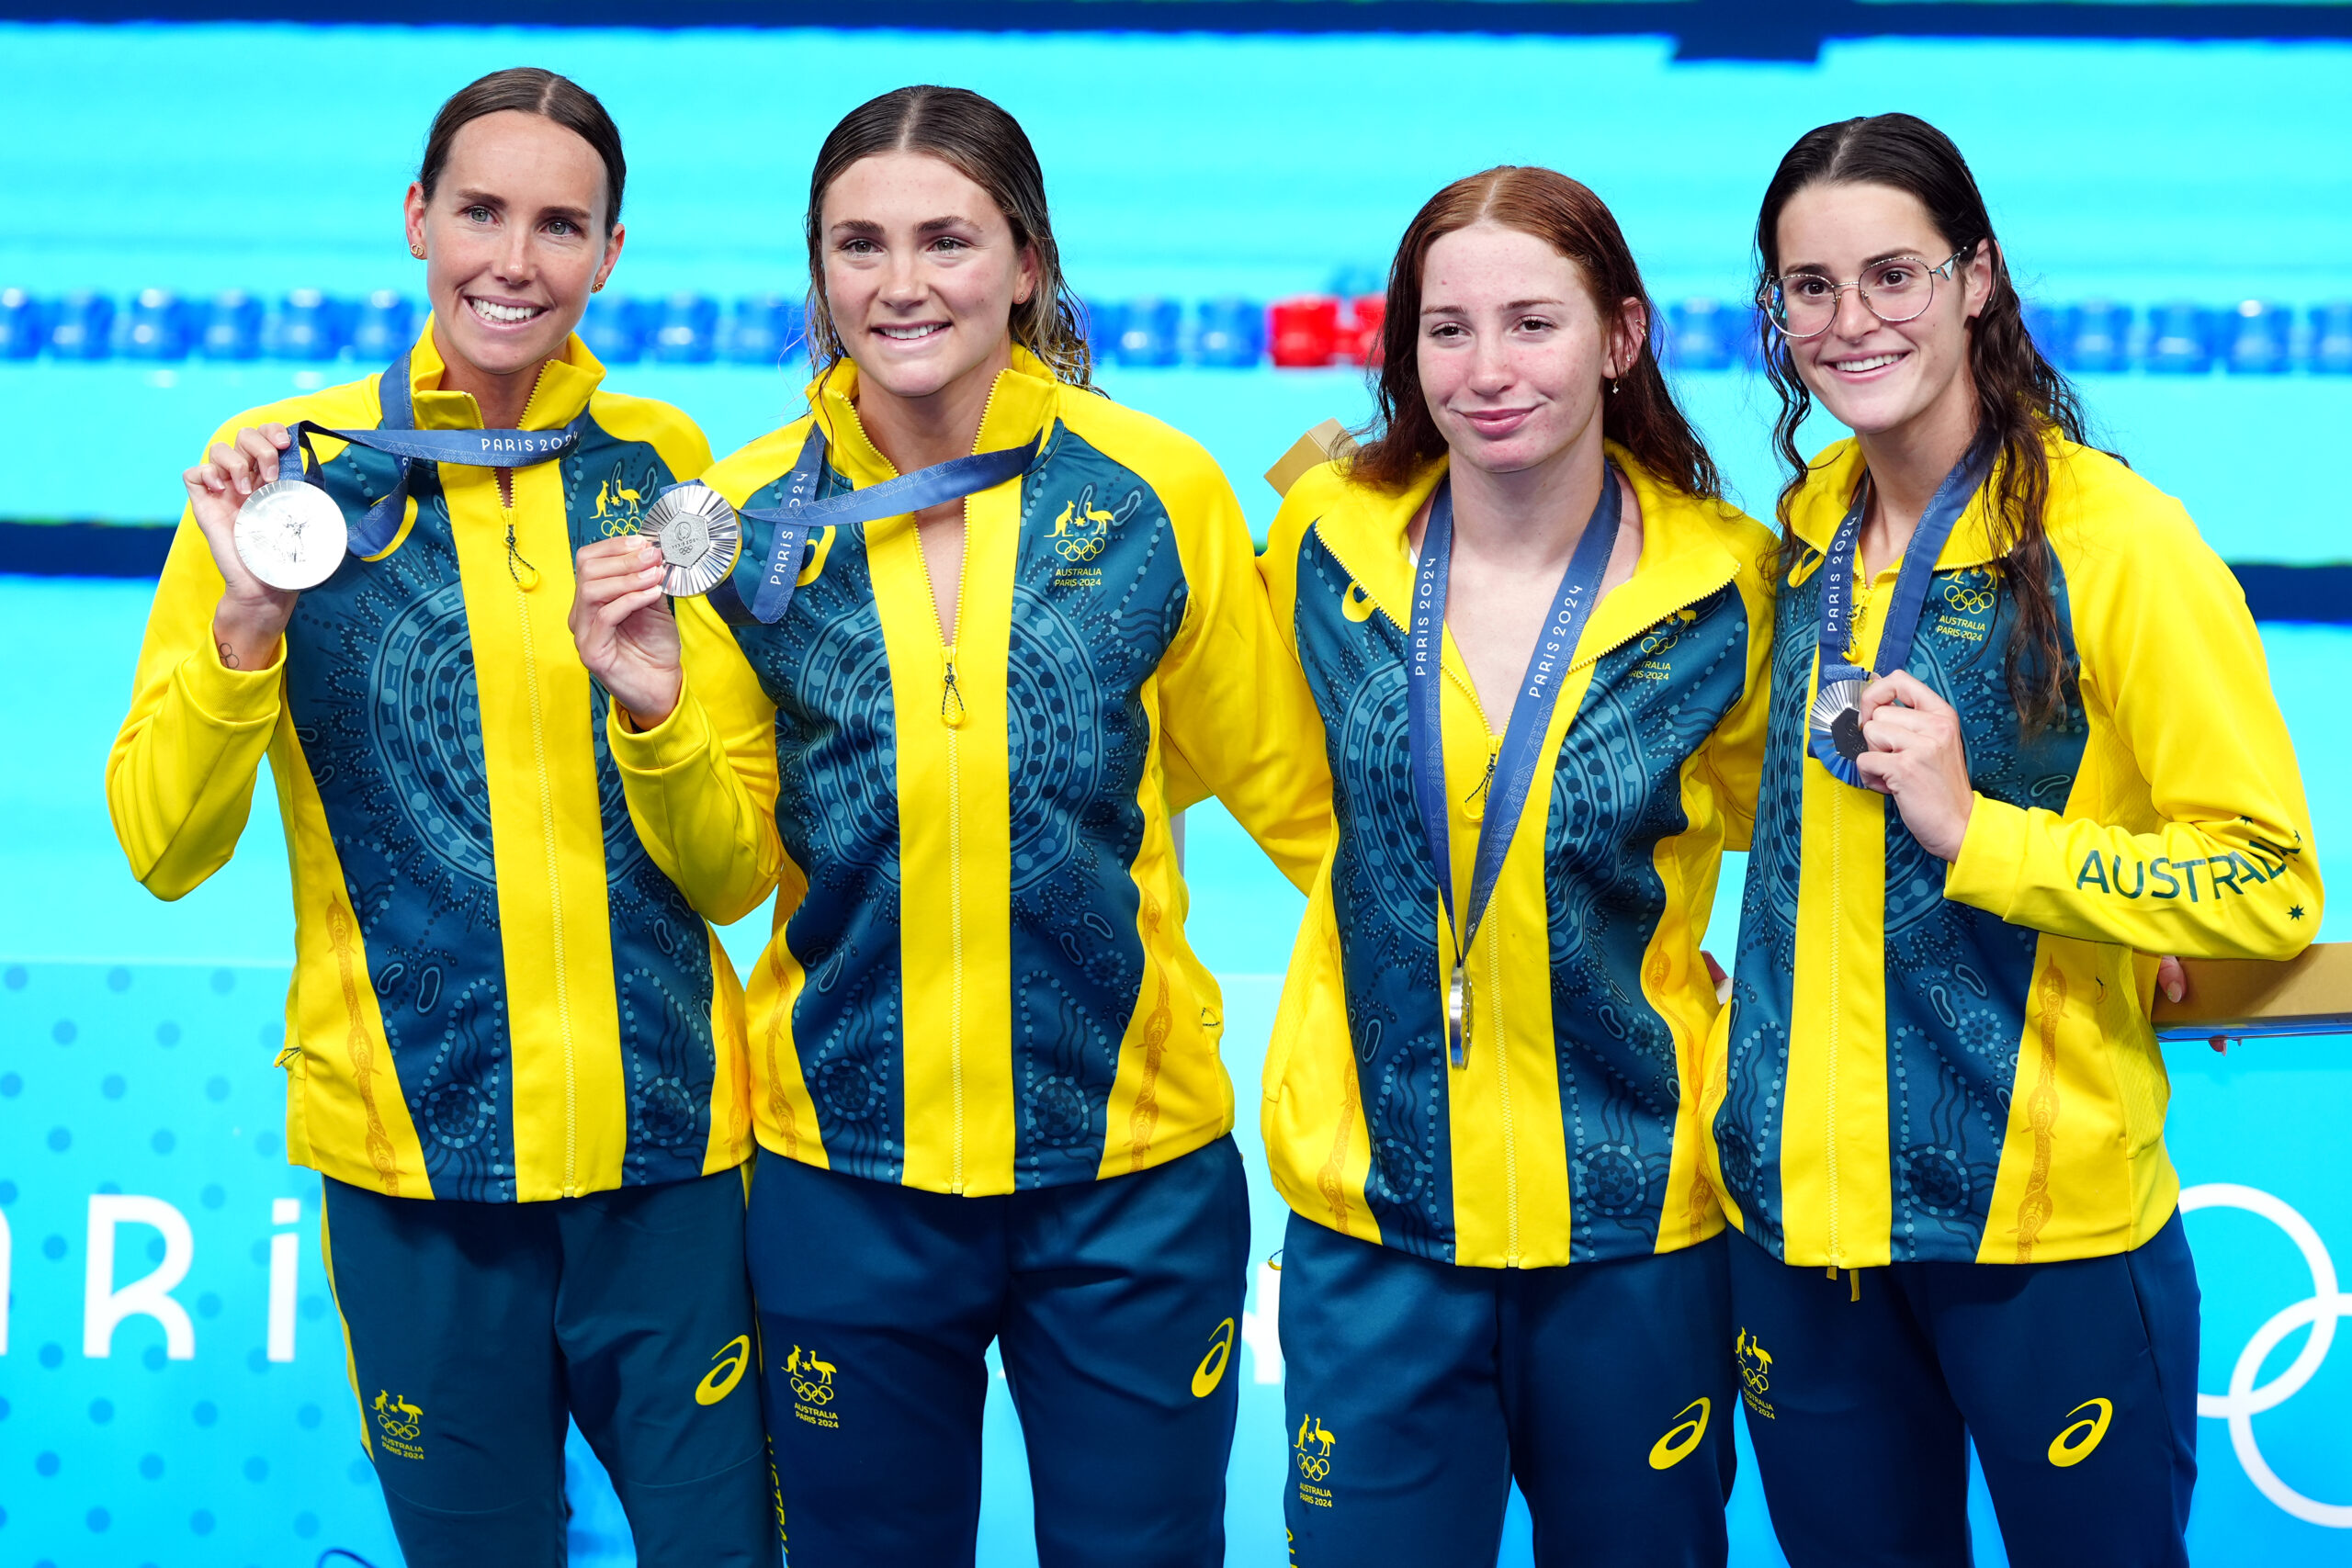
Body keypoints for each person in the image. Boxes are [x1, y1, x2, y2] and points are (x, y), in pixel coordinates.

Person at [568, 85, 1327, 1567]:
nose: (900, 285)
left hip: (1132, 1182)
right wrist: (651, 711)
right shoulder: (738, 521)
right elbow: (726, 877)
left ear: (1028, 263)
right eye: (859, 246)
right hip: (844, 1178)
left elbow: (1298, 802)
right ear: (820, 276)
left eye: (946, 241)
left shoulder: (1153, 488)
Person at [106, 68, 775, 1568]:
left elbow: (737, 870)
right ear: (417, 219)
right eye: (479, 211)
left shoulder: (663, 476)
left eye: (560, 225)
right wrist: (247, 627)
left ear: (610, 254)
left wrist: (658, 711)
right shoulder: (286, 477)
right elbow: (161, 847)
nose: (513, 261)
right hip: (414, 1169)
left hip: (665, 1159)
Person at [1709, 112, 2324, 1568]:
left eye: (1894, 276)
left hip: (2040, 1238)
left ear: (1977, 278)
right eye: (1810, 289)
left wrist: (1996, 839)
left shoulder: (2118, 546)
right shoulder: (1794, 541)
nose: (1850, 323)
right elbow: (1729, 813)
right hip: (1804, 1240)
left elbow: (2266, 878)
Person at [1253, 165, 1776, 1566]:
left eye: (1533, 325)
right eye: (1447, 330)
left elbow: (1808, 850)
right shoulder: (1329, 543)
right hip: (1376, 1210)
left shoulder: (1733, 588)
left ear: (1621, 336)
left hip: (1636, 1223)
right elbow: (1281, 787)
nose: (1486, 372)